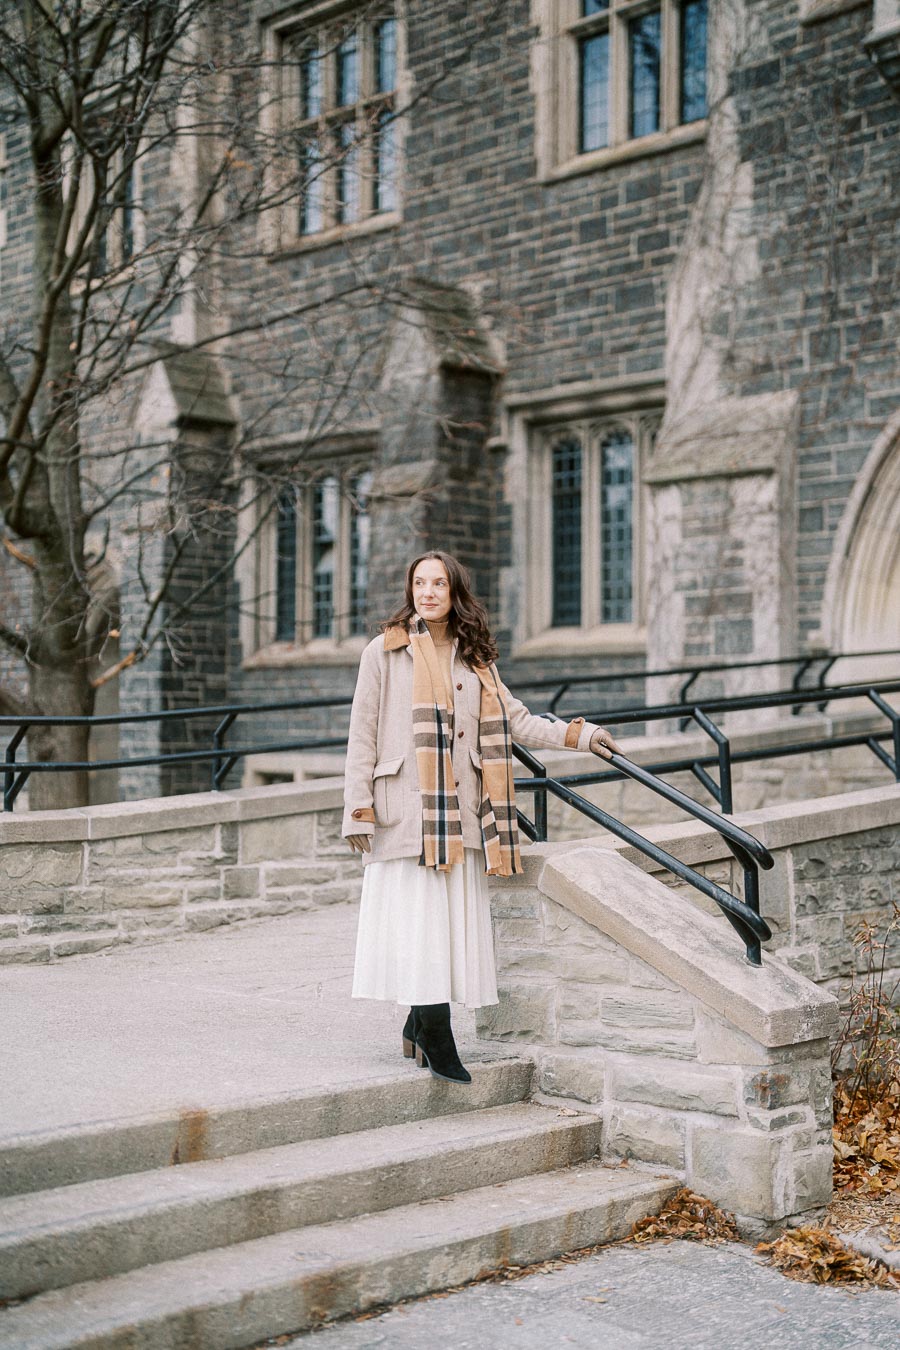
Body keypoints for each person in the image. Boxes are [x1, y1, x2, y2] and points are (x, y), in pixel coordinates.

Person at [342, 550, 622, 1084]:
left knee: (443, 926)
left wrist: (578, 736)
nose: (427, 592)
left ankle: (414, 1021)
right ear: (411, 591)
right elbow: (362, 735)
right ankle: (436, 1035)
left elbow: (515, 721)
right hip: (406, 809)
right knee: (421, 922)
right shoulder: (384, 652)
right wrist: (359, 811)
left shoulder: (476, 658)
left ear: (454, 593)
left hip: (462, 811)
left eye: (438, 584)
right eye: (419, 583)